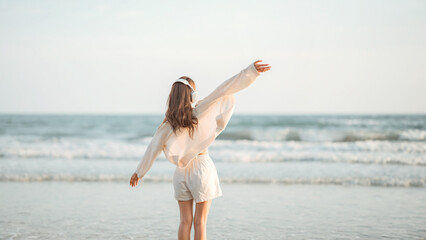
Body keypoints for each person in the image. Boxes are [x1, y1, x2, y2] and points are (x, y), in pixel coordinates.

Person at [130, 60, 271, 240]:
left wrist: (139, 172)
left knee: (184, 222)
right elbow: (225, 89)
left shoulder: (167, 125)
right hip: (202, 170)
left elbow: (153, 148)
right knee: (200, 222)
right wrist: (251, 72)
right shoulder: (201, 109)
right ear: (192, 95)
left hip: (180, 173)